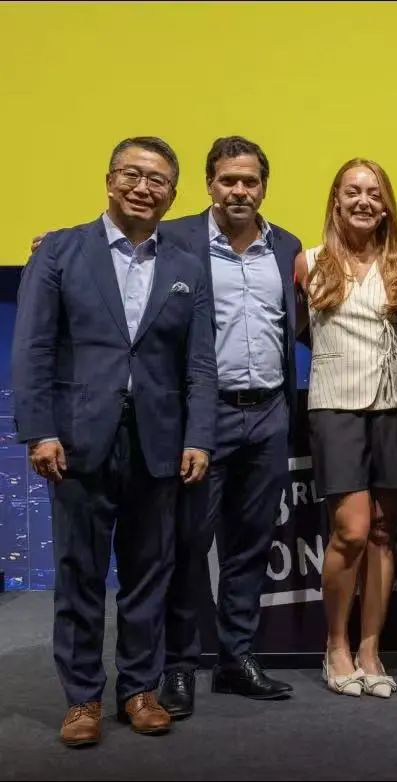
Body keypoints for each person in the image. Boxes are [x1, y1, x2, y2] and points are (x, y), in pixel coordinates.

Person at [12, 137, 217, 745]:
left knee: (149, 573)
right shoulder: (59, 251)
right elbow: (33, 348)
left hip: (160, 441)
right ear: (109, 180)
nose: (143, 188)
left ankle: (139, 689)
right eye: (132, 174)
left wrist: (199, 436)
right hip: (77, 441)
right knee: (79, 572)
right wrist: (40, 431)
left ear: (172, 195)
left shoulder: (187, 266)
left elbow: (199, 364)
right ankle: (82, 699)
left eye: (158, 181)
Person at [158, 136, 301, 716]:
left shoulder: (286, 246)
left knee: (251, 544)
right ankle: (178, 663)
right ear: (210, 184)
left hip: (268, 412)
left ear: (263, 187)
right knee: (188, 543)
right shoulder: (175, 238)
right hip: (202, 417)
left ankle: (236, 659)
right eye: (228, 180)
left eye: (249, 181)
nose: (239, 190)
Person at [294, 158, 397, 699]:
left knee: (383, 533)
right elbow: (297, 331)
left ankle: (370, 650)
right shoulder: (309, 263)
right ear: (336, 200)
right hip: (335, 407)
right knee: (350, 530)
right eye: (353, 192)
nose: (364, 201)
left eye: (374, 193)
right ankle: (336, 646)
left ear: (386, 205)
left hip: (395, 408)